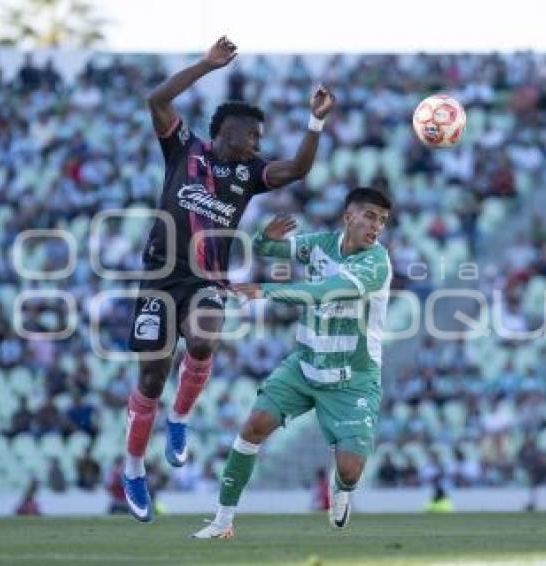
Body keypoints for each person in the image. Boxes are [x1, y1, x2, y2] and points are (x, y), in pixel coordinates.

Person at [122, 35, 336, 523]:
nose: (258, 145)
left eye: (260, 141)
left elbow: (300, 168)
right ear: (227, 132)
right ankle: (133, 467)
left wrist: (316, 120)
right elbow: (156, 100)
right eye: (253, 137)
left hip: (206, 279)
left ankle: (180, 419)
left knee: (203, 339)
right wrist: (204, 65)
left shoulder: (250, 174)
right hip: (158, 276)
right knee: (150, 378)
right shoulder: (184, 149)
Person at [191, 186, 393, 539]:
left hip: (353, 377)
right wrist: (261, 237)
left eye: (383, 221)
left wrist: (266, 291)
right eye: (370, 216)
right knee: (253, 426)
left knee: (349, 470)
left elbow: (324, 292)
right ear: (349, 216)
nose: (377, 226)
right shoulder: (320, 245)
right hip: (304, 363)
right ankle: (222, 521)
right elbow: (270, 249)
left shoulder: (376, 262)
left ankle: (341, 489)